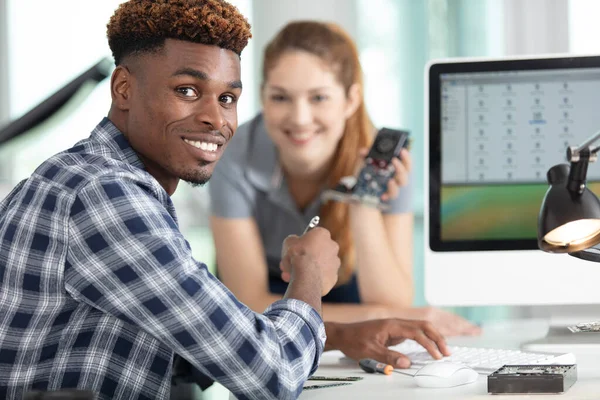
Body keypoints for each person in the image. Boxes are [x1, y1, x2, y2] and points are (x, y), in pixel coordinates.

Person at [0, 1, 450, 400]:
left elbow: (188, 340)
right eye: (187, 91)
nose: (216, 118)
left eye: (227, 97)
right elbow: (270, 376)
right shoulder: (107, 195)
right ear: (123, 89)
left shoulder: (89, 177)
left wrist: (333, 335)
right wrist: (309, 278)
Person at [209, 20, 481, 336]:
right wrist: (378, 316)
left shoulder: (386, 164)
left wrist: (362, 204)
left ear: (350, 101)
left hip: (348, 288)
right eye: (281, 97)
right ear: (261, 96)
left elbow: (391, 300)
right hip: (269, 296)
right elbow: (248, 303)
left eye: (319, 98)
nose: (299, 118)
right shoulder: (233, 155)